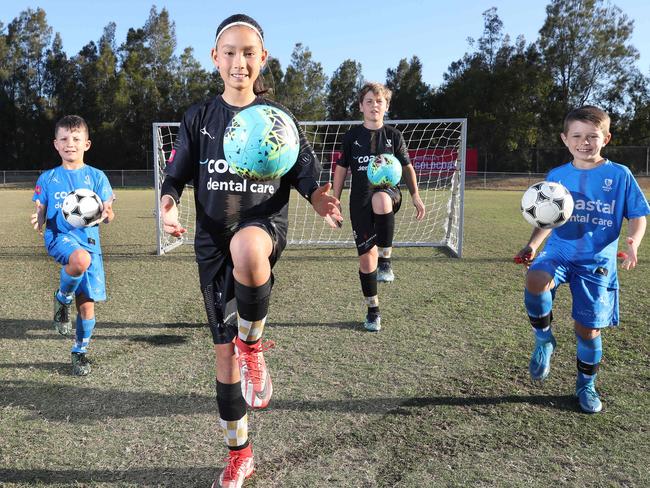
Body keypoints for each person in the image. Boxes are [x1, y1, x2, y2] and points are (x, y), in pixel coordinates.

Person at [159, 14, 342, 488]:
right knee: (223, 360)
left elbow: (305, 174)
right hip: (210, 246)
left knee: (247, 247)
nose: (239, 62)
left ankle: (254, 346)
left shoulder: (278, 119)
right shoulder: (198, 118)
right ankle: (240, 452)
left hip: (262, 227)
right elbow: (175, 176)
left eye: (248, 53)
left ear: (262, 59)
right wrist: (167, 205)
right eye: (230, 52)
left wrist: (320, 197)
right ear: (214, 58)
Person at [514, 105, 649, 414]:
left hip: (596, 262)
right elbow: (546, 219)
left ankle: (585, 385)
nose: (584, 142)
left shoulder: (619, 175)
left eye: (592, 136)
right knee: (535, 279)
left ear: (606, 138)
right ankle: (544, 338)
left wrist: (634, 243)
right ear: (565, 139)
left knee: (587, 330)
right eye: (577, 136)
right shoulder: (557, 176)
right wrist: (533, 245)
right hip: (559, 252)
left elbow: (639, 215)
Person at [331, 82, 425, 332]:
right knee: (365, 260)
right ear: (361, 106)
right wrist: (335, 199)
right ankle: (373, 310)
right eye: (369, 101)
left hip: (388, 192)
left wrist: (415, 195)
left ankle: (387, 260)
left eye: (379, 101)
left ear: (387, 106)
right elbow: (341, 169)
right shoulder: (352, 136)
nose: (374, 106)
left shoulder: (394, 136)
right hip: (359, 201)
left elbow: (407, 167)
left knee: (381, 199)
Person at [30, 115, 115, 376]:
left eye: (76, 139)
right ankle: (62, 298)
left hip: (89, 242)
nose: (70, 144)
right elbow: (40, 207)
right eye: (64, 139)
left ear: (86, 144)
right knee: (79, 260)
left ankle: (79, 352)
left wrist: (105, 214)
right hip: (59, 237)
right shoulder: (47, 178)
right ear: (56, 144)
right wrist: (40, 216)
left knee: (87, 307)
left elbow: (109, 211)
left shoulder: (97, 177)